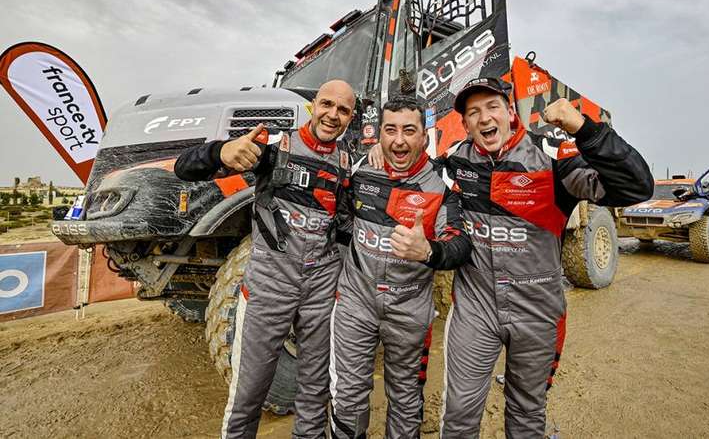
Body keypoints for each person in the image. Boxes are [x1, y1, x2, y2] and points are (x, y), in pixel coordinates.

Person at [370, 78, 652, 438]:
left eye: (492, 107)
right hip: (476, 310)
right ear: (466, 124)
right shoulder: (456, 161)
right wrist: (378, 150)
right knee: (458, 415)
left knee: (527, 414)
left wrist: (584, 128)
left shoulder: (550, 158)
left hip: (537, 311)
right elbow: (410, 169)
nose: (484, 118)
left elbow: (636, 186)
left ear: (510, 113)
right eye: (473, 112)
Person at [174, 80, 356, 439]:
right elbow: (184, 168)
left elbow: (351, 230)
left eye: (343, 110)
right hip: (268, 289)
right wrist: (219, 153)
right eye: (327, 104)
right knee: (248, 396)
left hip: (321, 294)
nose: (333, 115)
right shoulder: (275, 145)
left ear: (350, 118)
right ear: (313, 106)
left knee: (314, 396)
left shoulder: (348, 165)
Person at [329, 97, 472, 439]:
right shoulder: (362, 169)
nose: (398, 141)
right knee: (347, 397)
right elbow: (340, 217)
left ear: (424, 135)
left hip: (409, 311)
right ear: (379, 134)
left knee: (406, 399)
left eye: (409, 131)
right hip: (355, 304)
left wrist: (428, 251)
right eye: (390, 131)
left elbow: (460, 245)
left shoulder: (440, 184)